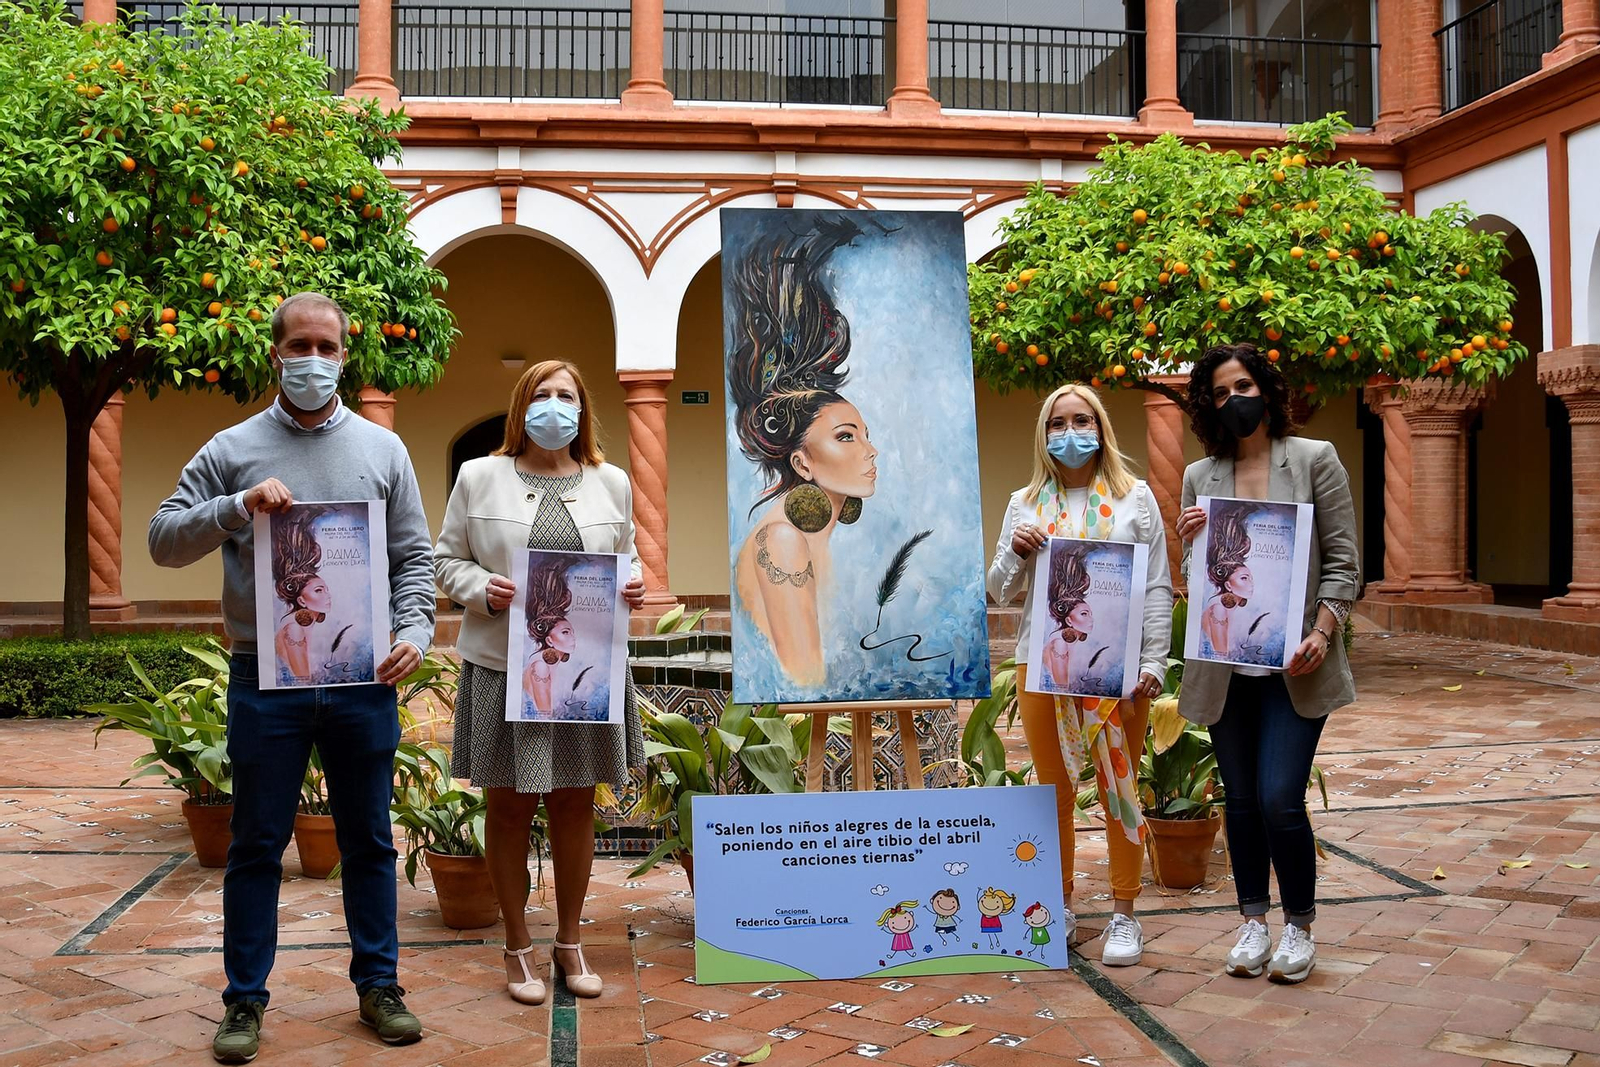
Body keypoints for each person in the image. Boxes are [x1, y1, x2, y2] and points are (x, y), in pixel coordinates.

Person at [148, 292, 435, 1063]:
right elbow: (160, 540)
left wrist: (414, 629)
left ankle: (380, 985)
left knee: (369, 840)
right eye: (299, 344)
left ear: (346, 354)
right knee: (255, 843)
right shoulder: (233, 447)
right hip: (262, 678)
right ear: (275, 352)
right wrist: (235, 505)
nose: (313, 357)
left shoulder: (384, 452)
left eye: (327, 345)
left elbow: (413, 559)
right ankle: (243, 1000)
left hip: (361, 679)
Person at [435, 360, 646, 1006]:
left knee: (576, 803)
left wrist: (631, 579)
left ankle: (571, 939)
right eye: (542, 395)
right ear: (520, 405)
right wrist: (481, 589)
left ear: (583, 411)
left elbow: (628, 553)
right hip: (507, 669)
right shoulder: (478, 476)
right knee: (509, 806)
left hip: (587, 668)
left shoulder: (612, 482)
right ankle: (518, 943)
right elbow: (447, 559)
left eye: (567, 396)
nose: (554, 406)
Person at [1175, 343, 1359, 985]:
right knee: (1242, 801)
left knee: (1280, 797)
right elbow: (1199, 583)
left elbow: (1344, 561)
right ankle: (1253, 922)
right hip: (1227, 668)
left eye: (1243, 386)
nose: (1234, 401)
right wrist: (1190, 542)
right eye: (1221, 394)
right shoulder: (1201, 476)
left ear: (1268, 390)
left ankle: (1300, 927)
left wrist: (1322, 631)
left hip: (1295, 666)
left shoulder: (1313, 460)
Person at [988, 382, 1172, 967]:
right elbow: (996, 591)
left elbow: (1158, 585)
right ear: (1044, 435)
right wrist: (1014, 553)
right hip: (1043, 666)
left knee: (1120, 786)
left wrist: (1153, 662)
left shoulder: (1134, 498)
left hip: (1116, 672)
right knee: (1053, 794)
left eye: (1082, 419)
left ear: (1101, 427)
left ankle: (1124, 913)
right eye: (1058, 423)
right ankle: (1059, 903)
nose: (1071, 432)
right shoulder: (1025, 501)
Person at [726, 219, 878, 687]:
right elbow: (805, 681)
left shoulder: (807, 538)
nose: (871, 452)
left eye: (865, 434)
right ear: (801, 462)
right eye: (847, 437)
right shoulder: (784, 541)